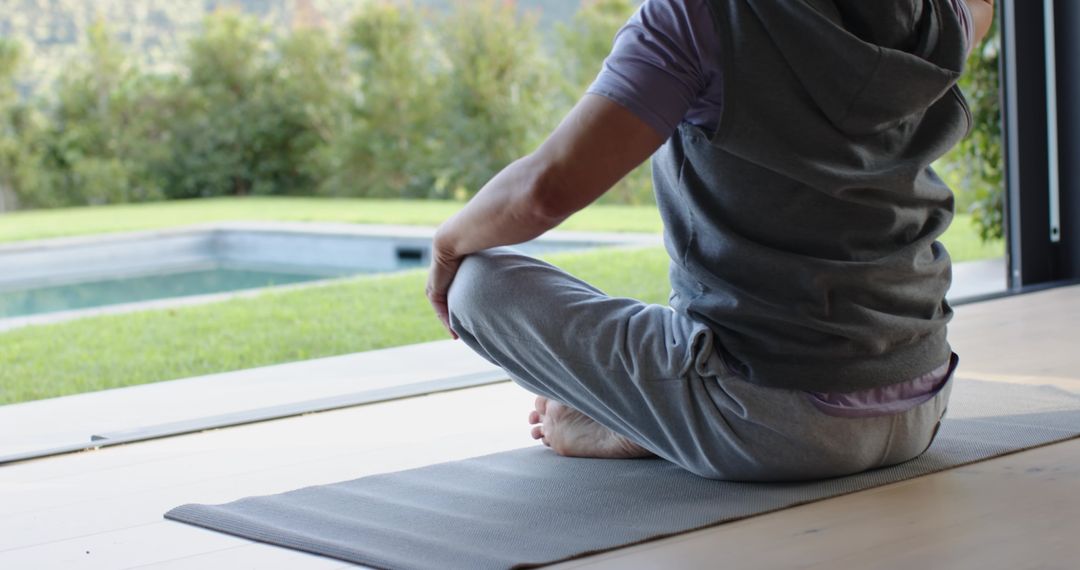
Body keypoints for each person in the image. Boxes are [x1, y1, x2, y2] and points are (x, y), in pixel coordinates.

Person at [426, 0, 996, 481]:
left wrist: (448, 243)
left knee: (477, 287)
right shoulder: (938, 13)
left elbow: (544, 191)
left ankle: (653, 421)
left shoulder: (698, 16)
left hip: (771, 419)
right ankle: (662, 418)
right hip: (924, 397)